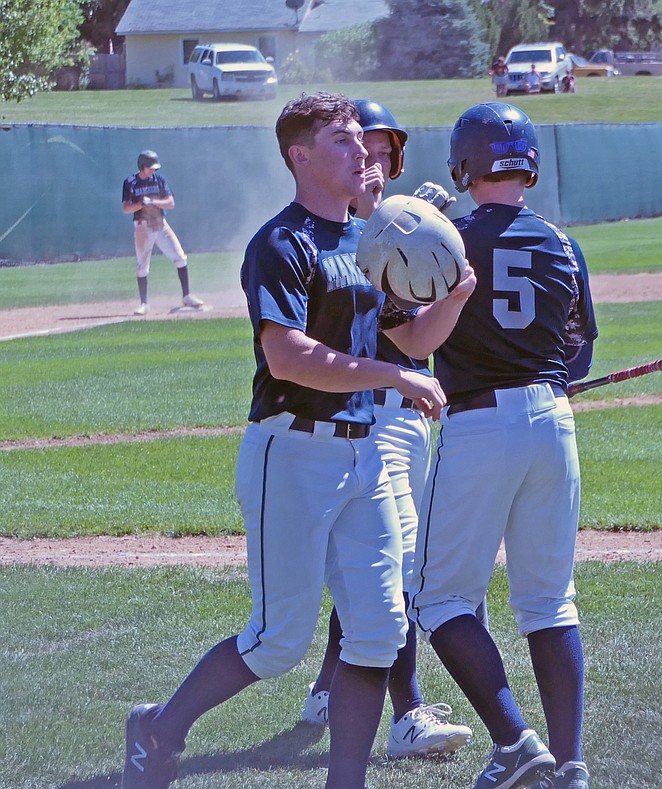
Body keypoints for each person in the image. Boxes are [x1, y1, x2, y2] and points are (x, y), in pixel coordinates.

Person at [119, 92, 459, 789]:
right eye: (342, 139)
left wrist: (454, 292)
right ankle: (159, 727)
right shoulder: (283, 242)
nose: (361, 150)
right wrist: (396, 374)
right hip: (293, 451)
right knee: (277, 641)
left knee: (379, 630)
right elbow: (289, 357)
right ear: (298, 156)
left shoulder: (367, 240)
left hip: (366, 450)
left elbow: (414, 338)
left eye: (360, 137)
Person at [407, 102, 598, 789]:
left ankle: (516, 740)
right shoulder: (561, 241)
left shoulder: (448, 239)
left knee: (438, 597)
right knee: (551, 602)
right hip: (554, 420)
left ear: (464, 164)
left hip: (479, 423)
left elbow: (412, 342)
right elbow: (578, 351)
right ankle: (571, 762)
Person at [298, 98, 475, 759]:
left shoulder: (388, 225)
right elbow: (398, 327)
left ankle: (328, 687)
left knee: (374, 563)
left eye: (381, 149)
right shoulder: (349, 234)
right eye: (358, 147)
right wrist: (392, 226)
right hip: (373, 415)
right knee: (390, 566)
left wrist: (434, 254)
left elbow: (415, 332)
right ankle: (407, 713)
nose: (371, 160)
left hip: (404, 411)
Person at [120, 150, 203, 316]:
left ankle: (186, 296)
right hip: (143, 227)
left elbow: (171, 202)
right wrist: (141, 204)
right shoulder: (130, 182)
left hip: (160, 225)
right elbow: (126, 208)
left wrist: (153, 202)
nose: (153, 170)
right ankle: (144, 304)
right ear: (142, 166)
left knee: (180, 257)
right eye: (150, 167)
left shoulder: (159, 180)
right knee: (142, 265)